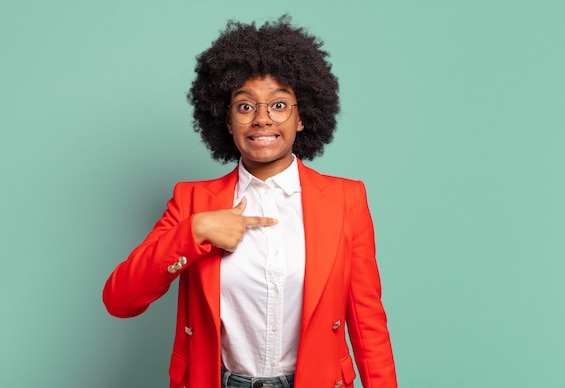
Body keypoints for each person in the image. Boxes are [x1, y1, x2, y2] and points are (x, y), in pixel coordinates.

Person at [103, 16, 397, 388]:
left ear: (302, 116)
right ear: (227, 121)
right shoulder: (192, 201)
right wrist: (195, 231)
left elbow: (368, 325)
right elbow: (120, 300)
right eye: (245, 107)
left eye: (278, 105)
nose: (261, 119)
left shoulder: (346, 199)